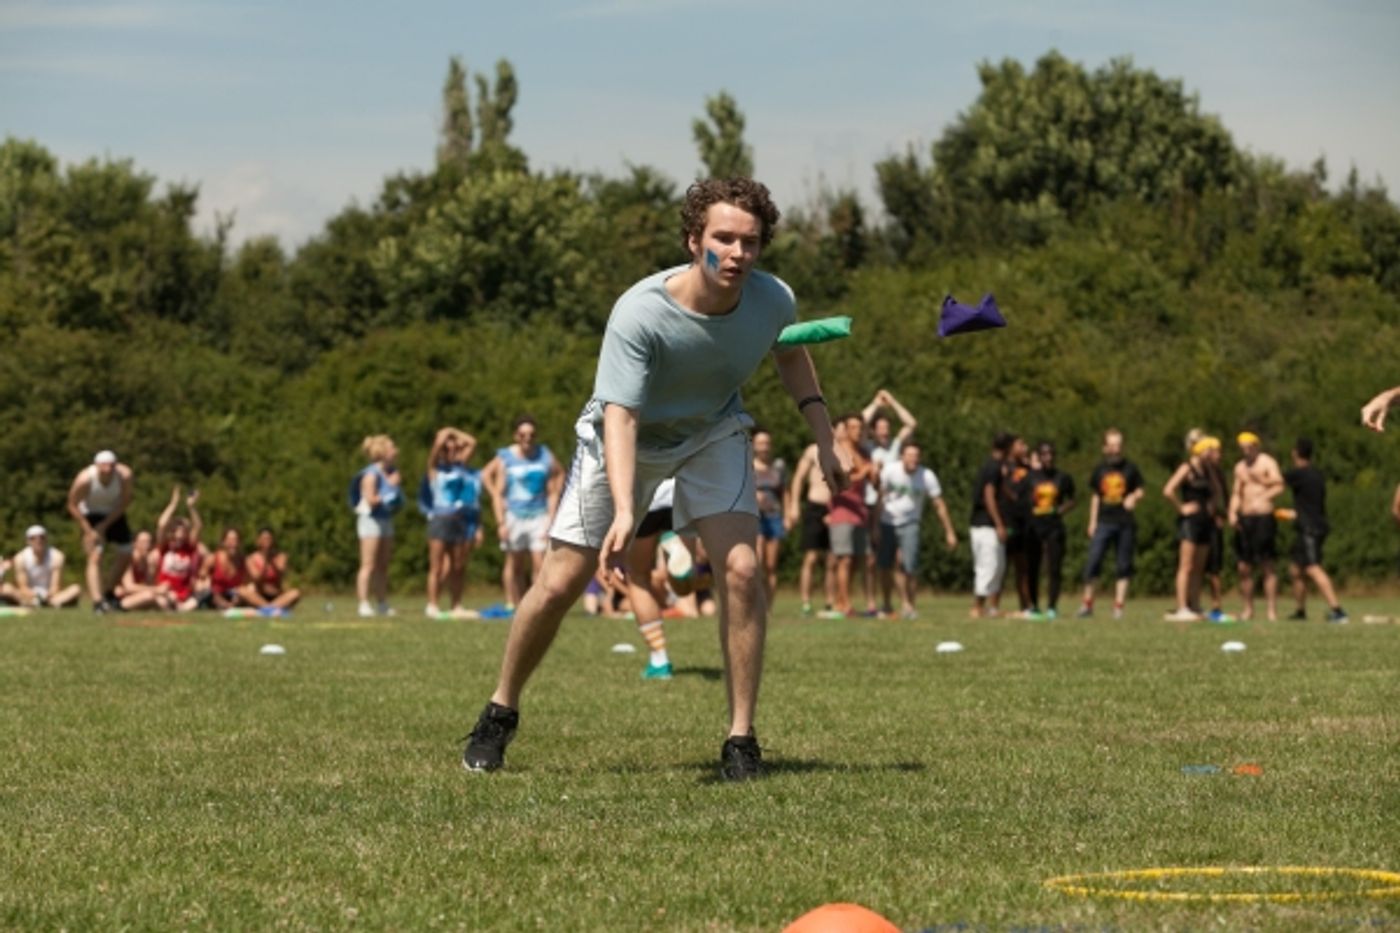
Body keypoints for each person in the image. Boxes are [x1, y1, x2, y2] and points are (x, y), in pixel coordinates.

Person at [460, 177, 846, 781]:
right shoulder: (641, 312)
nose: (738, 253)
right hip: (626, 442)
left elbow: (789, 351)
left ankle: (741, 740)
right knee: (562, 582)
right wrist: (624, 509)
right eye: (724, 238)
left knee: (743, 569)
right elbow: (622, 415)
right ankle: (499, 710)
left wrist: (824, 434)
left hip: (712, 433)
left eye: (751, 242)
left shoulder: (772, 299)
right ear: (695, 239)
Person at [482, 416, 564, 611]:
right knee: (514, 561)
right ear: (516, 436)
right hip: (514, 515)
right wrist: (498, 510)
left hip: (539, 514)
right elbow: (486, 474)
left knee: (540, 561)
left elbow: (559, 473)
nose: (527, 438)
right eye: (523, 434)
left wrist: (555, 497)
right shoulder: (506, 456)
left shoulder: (544, 454)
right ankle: (513, 603)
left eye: (531, 434)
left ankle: (537, 604)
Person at [876, 441, 957, 619]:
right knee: (885, 566)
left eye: (916, 456)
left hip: (911, 523)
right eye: (909, 455)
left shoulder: (927, 476)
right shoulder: (890, 471)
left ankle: (909, 605)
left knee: (909, 565)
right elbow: (879, 499)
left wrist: (949, 531)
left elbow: (939, 504)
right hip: (887, 522)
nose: (913, 459)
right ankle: (887, 604)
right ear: (902, 456)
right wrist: (875, 526)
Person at [1077, 428, 1145, 620]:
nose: (1116, 449)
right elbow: (1096, 497)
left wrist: (1134, 497)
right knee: (1093, 562)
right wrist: (1092, 521)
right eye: (1112, 445)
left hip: (1125, 523)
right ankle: (1087, 603)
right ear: (1105, 448)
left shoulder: (1130, 468)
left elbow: (1141, 490)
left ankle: (1118, 607)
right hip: (1104, 522)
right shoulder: (1099, 470)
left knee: (1123, 564)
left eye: (1119, 445)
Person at [862, 389, 918, 614]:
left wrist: (893, 402)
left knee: (896, 560)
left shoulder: (896, 446)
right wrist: (875, 403)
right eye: (880, 429)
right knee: (871, 560)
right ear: (874, 431)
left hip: (890, 510)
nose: (885, 432)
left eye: (887, 429)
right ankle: (872, 603)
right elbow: (856, 423)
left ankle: (898, 602)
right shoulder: (867, 447)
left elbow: (911, 423)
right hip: (869, 504)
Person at [420, 427, 484, 619]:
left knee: (458, 566)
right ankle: (432, 605)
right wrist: (445, 435)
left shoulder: (461, 466)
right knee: (437, 566)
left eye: (455, 448)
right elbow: (438, 443)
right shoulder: (434, 468)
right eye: (448, 449)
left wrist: (453, 432)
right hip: (440, 520)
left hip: (461, 521)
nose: (453, 451)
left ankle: (456, 605)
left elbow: (472, 442)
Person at [1284, 438, 1348, 623]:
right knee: (1296, 569)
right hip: (1313, 523)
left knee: (1312, 568)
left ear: (1295, 452)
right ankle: (1300, 610)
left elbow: (1274, 481)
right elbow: (1310, 502)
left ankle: (1337, 611)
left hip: (1309, 527)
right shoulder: (1316, 474)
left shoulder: (1299, 473)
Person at [1163, 436, 1225, 621]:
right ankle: (1182, 607)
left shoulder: (1207, 470)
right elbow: (1168, 490)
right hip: (1189, 523)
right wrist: (1181, 507)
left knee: (1199, 567)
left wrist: (1213, 506)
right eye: (1208, 449)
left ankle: (1195, 605)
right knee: (1186, 566)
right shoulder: (1186, 468)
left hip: (1205, 521)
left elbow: (1216, 491)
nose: (1210, 453)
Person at [66, 450, 135, 611]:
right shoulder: (85, 479)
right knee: (95, 556)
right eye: (104, 465)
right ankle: (97, 601)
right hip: (89, 514)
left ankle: (109, 592)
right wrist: (88, 530)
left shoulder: (124, 476)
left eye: (111, 465)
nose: (108, 469)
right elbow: (72, 504)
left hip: (114, 513)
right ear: (96, 466)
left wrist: (105, 525)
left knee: (126, 552)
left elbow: (126, 500)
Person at [1228, 431, 1285, 621]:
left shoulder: (1267, 462)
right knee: (1244, 566)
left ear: (1256, 446)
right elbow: (1237, 492)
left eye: (1248, 448)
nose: (1245, 452)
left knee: (1267, 564)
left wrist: (1262, 488)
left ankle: (1271, 610)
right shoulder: (1239, 467)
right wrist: (1232, 512)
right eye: (1242, 449)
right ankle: (1248, 608)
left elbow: (1279, 484)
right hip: (1245, 517)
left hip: (1263, 515)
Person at [1025, 441, 1077, 619]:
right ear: (1038, 456)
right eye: (1044, 454)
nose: (1048, 457)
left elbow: (1072, 499)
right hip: (1034, 528)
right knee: (1033, 567)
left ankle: (1052, 607)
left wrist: (1061, 510)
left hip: (1054, 527)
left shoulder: (1062, 478)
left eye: (1051, 454)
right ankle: (1033, 606)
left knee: (1054, 567)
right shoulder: (1030, 477)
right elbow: (1021, 500)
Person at [352, 434, 403, 617]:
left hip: (386, 519)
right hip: (371, 520)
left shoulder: (391, 472)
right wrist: (390, 489)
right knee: (368, 564)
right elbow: (371, 500)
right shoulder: (371, 474)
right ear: (382, 452)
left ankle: (382, 602)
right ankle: (363, 603)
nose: (395, 451)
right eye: (392, 448)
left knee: (383, 564)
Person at [788, 439, 839, 617]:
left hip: (836, 509)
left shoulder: (844, 452)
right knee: (811, 557)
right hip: (814, 507)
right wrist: (793, 505)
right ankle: (806, 603)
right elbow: (798, 477)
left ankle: (830, 604)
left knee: (833, 560)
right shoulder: (812, 450)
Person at [969, 433, 1011, 618]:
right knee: (988, 565)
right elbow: (989, 495)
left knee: (996, 566)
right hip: (985, 524)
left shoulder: (993, 466)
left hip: (984, 525)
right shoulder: (993, 468)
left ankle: (991, 608)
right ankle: (977, 607)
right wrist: (999, 524)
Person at [751, 427, 788, 604]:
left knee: (771, 566)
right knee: (756, 562)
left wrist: (788, 516)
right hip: (754, 518)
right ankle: (755, 604)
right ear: (753, 446)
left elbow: (785, 493)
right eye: (760, 443)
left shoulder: (778, 468)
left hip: (774, 517)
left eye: (766, 443)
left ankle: (768, 607)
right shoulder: (747, 466)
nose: (764, 447)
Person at [154, 486, 205, 612]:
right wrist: (173, 504)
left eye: (184, 530)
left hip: (185, 595)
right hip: (166, 593)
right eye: (178, 530)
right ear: (172, 532)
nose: (181, 534)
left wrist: (191, 507)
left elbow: (198, 526)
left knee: (203, 593)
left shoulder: (189, 548)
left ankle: (179, 608)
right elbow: (161, 524)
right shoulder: (165, 547)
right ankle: (174, 608)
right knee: (162, 601)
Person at [6, 526, 81, 608]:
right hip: (28, 595)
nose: (38, 541)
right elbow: (23, 586)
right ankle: (45, 604)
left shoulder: (57, 556)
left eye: (41, 537)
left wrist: (47, 595)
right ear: (27, 541)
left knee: (76, 589)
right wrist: (36, 595)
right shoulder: (20, 558)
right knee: (7, 588)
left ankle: (44, 603)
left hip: (51, 595)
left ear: (46, 539)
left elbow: (55, 585)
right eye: (33, 538)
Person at [1000, 435, 1034, 614]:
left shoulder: (1027, 468)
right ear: (1011, 447)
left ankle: (1025, 604)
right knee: (1002, 566)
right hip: (1007, 520)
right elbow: (998, 487)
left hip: (1024, 522)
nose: (1025, 448)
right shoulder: (1004, 467)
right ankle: (993, 604)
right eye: (1021, 444)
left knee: (1023, 566)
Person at [114, 529, 173, 611]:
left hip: (137, 596)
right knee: (150, 596)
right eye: (143, 542)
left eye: (149, 542)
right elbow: (129, 587)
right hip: (121, 600)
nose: (147, 545)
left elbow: (149, 584)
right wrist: (157, 589)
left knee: (165, 598)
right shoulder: (129, 561)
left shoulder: (149, 561)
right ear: (135, 544)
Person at [244, 528, 302, 610]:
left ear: (273, 540)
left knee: (295, 593)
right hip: (258, 595)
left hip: (277, 596)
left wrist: (272, 560)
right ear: (258, 540)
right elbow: (256, 578)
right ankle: (269, 607)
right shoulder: (251, 558)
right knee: (243, 590)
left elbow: (281, 573)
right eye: (264, 539)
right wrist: (265, 561)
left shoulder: (281, 556)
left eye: (269, 539)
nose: (266, 541)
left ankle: (268, 608)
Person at [202, 528, 250, 610]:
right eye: (230, 539)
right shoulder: (213, 558)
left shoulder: (243, 561)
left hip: (234, 596)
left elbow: (246, 583)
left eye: (236, 539)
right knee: (207, 588)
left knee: (249, 588)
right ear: (223, 542)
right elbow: (201, 577)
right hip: (215, 596)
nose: (233, 543)